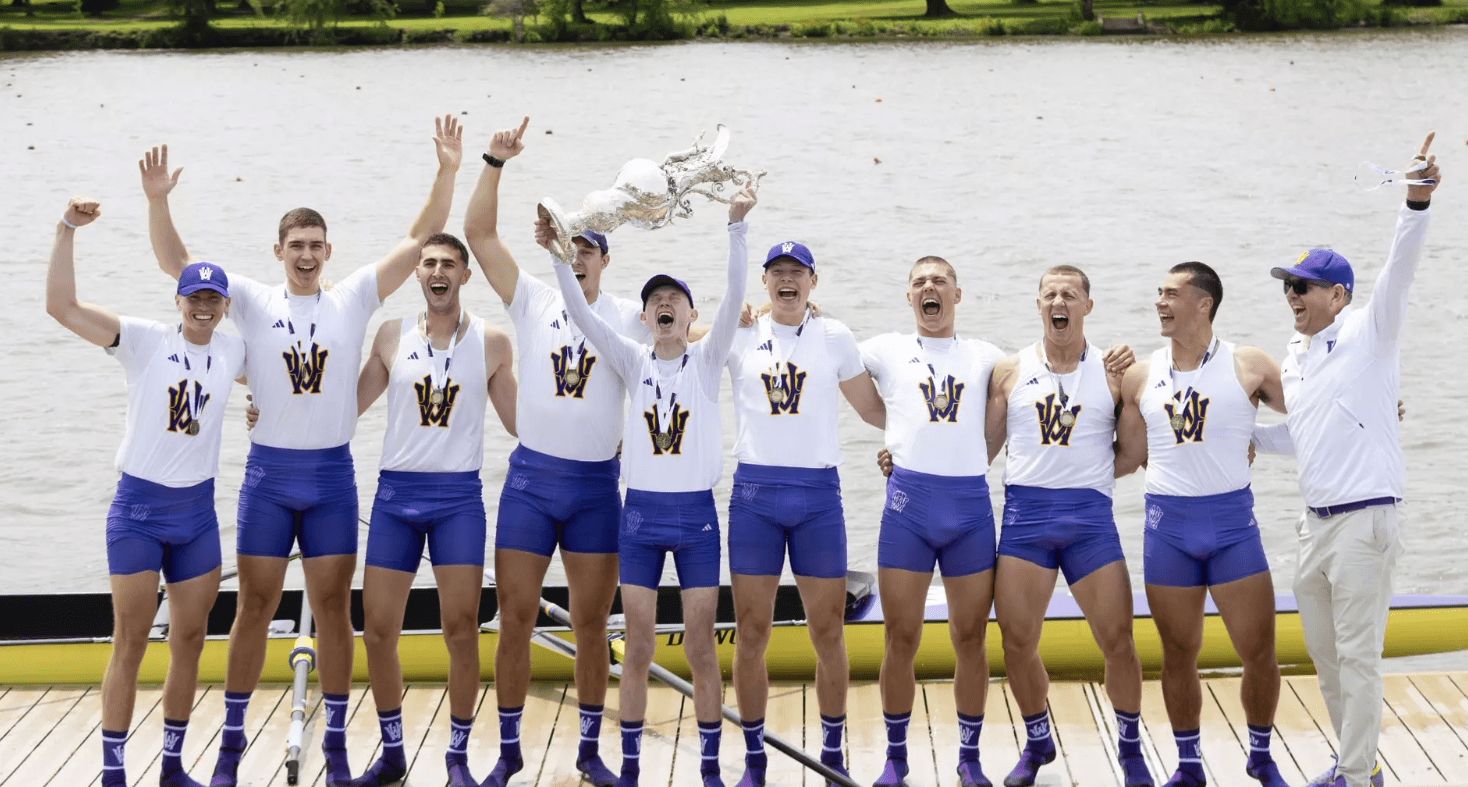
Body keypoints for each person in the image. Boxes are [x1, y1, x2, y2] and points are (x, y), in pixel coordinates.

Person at [139, 115, 463, 787]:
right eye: (296, 245)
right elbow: (178, 265)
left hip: (330, 480)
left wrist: (448, 171)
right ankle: (230, 750)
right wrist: (158, 200)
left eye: (316, 244)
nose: (307, 254)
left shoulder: (352, 298)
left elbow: (417, 239)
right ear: (279, 249)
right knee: (253, 607)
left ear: (329, 249)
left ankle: (339, 752)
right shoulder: (252, 299)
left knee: (335, 611)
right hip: (268, 477)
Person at [538, 185, 756, 787]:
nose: (665, 304)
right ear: (644, 316)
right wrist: (559, 254)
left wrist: (736, 228)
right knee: (635, 647)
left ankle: (711, 770)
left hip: (696, 521)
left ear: (690, 317)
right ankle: (630, 770)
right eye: (655, 298)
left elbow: (738, 292)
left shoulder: (708, 361)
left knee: (700, 648)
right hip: (639, 519)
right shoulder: (631, 360)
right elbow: (581, 316)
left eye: (675, 300)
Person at [462, 117, 653, 787]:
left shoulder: (630, 315)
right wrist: (493, 161)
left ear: (605, 258)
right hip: (532, 484)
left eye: (590, 248)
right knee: (514, 617)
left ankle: (589, 750)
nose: (579, 257)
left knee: (593, 624)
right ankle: (509, 749)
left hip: (597, 488)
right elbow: (479, 236)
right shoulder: (533, 299)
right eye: (571, 245)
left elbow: (690, 336)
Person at [1252, 133, 1440, 787]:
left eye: (1304, 286)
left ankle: (1356, 776)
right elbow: (1301, 435)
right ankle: (1362, 762)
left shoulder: (1370, 329)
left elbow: (1402, 267)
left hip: (1366, 521)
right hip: (1315, 527)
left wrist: (1415, 201)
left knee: (1358, 656)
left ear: (1338, 294)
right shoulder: (1296, 361)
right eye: (1288, 288)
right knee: (1329, 658)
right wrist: (1247, 438)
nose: (1293, 295)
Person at [47, 197, 246, 787]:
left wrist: (264, 408)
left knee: (189, 640)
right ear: (177, 301)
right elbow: (62, 307)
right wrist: (66, 230)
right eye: (195, 298)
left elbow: (290, 384)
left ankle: (173, 766)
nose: (204, 308)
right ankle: (113, 771)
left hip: (197, 518)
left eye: (214, 300)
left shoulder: (235, 349)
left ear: (226, 306)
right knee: (130, 639)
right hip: (137, 512)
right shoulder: (141, 340)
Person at [346, 232, 517, 787]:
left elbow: (521, 423)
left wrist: (603, 428)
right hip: (396, 497)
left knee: (461, 627)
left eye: (449, 263)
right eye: (428, 263)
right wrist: (270, 410)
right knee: (376, 630)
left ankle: (457, 756)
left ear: (466, 275)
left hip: (457, 501)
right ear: (417, 274)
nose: (437, 271)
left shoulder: (491, 341)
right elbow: (345, 409)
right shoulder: (391, 334)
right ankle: (393, 752)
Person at [1113, 262, 1289, 787]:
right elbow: (1122, 459)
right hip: (1168, 529)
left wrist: (1369, 409)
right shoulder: (1140, 376)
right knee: (1177, 653)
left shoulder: (1249, 365)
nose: (1160, 302)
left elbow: (1313, 411)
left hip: (1233, 527)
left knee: (1259, 652)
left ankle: (1260, 755)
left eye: (1171, 294)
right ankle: (1189, 765)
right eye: (1158, 294)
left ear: (1203, 303)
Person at [725, 240, 885, 787]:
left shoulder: (835, 336)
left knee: (828, 631)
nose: (787, 280)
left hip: (817, 498)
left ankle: (833, 753)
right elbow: (675, 340)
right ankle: (753, 759)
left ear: (813, 283)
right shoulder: (739, 330)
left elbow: (872, 409)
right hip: (754, 499)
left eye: (797, 272)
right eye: (777, 273)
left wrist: (930, 437)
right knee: (751, 631)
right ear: (764, 284)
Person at [983, 265, 1149, 787]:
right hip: (1025, 518)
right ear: (1038, 305)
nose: (1060, 301)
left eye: (1071, 295)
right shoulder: (1008, 371)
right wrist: (902, 457)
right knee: (1016, 642)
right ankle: (1037, 741)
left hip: (1089, 520)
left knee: (1118, 640)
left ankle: (1130, 752)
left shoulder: (1114, 372)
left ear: (1087, 307)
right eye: (1051, 294)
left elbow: (1132, 455)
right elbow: (978, 452)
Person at [859, 257, 1004, 787]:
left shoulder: (987, 356)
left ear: (957, 295)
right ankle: (896, 759)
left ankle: (969, 757)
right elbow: (824, 357)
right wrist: (896, 435)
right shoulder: (885, 349)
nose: (929, 288)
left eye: (939, 281)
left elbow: (1035, 388)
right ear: (909, 297)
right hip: (908, 510)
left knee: (970, 639)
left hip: (969, 509)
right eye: (919, 282)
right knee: (901, 637)